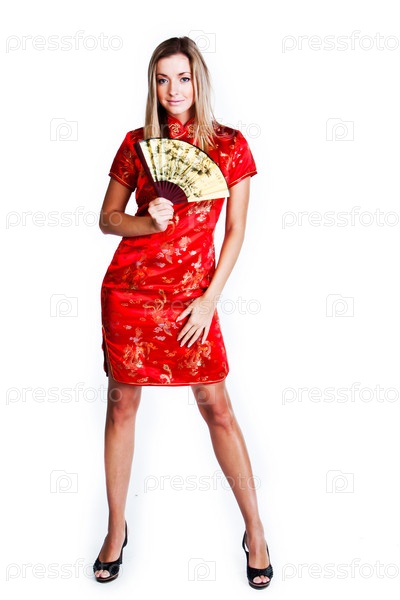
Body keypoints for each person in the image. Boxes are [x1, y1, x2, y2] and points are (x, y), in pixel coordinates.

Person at [93, 36, 273, 590]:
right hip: (131, 293)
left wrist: (209, 299)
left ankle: (256, 531)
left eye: (184, 77)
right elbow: (107, 219)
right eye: (162, 79)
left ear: (200, 80)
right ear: (153, 84)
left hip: (195, 298)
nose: (173, 89)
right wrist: (147, 220)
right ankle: (116, 530)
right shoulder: (137, 143)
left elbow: (236, 231)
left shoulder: (230, 145)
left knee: (217, 407)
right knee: (122, 407)